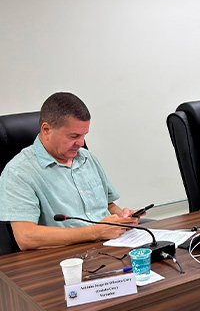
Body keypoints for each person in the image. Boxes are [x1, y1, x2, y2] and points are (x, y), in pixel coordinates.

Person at [0, 92, 140, 250]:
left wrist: (123, 218)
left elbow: (109, 205)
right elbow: (26, 237)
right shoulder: (19, 172)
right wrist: (95, 232)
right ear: (46, 130)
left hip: (110, 247)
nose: (81, 142)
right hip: (67, 257)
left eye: (84, 135)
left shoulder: (86, 158)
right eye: (74, 136)